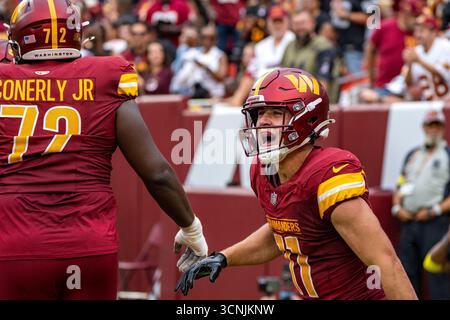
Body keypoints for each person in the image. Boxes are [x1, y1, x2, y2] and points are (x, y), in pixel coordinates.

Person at [0, 0, 207, 300]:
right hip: (89, 245)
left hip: (17, 244)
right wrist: (191, 227)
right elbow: (156, 172)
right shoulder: (105, 76)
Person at [176, 68, 417, 300]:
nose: (263, 122)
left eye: (275, 112)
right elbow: (282, 232)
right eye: (260, 113)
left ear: (307, 117)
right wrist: (223, 258)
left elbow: (386, 263)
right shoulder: (263, 171)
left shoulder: (328, 175)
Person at [392, 110, 450, 299]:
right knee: (407, 272)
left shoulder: (447, 154)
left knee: (436, 273)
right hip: (409, 221)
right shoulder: (412, 154)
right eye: (429, 125)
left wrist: (434, 210)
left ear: (442, 128)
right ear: (423, 127)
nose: (433, 129)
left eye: (436, 125)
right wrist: (397, 207)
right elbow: (399, 184)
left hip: (435, 222)